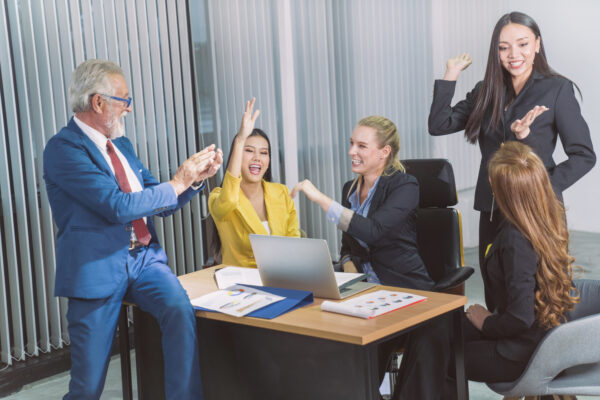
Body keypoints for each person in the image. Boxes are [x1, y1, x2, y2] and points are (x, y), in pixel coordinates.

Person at [43, 59, 223, 400]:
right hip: (95, 268)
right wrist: (177, 181)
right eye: (123, 100)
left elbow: (159, 198)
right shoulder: (63, 149)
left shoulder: (122, 146)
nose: (129, 109)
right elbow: (117, 205)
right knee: (87, 386)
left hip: (144, 260)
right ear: (98, 102)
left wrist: (194, 182)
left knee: (179, 312)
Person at [428, 11, 595, 293]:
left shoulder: (557, 89)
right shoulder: (486, 91)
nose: (513, 54)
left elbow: (584, 155)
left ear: (537, 45)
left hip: (537, 207)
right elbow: (439, 125)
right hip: (493, 207)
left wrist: (543, 186)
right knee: (495, 287)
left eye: (522, 44)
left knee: (543, 292)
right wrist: (450, 76)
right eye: (504, 47)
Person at [292, 116, 447, 400]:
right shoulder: (350, 190)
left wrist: (321, 200)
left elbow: (374, 231)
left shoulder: (405, 185)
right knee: (335, 355)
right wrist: (353, 272)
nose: (352, 151)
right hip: (367, 293)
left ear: (384, 152)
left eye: (362, 145)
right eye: (352, 143)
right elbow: (348, 247)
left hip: (405, 289)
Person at [443, 141, 579, 398]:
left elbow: (519, 318)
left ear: (503, 191)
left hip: (523, 351)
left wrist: (486, 323)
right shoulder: (546, 221)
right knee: (443, 333)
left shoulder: (516, 241)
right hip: (545, 340)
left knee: (440, 357)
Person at [208, 98, 300, 268]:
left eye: (264, 153)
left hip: (284, 279)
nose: (257, 157)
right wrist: (240, 139)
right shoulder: (217, 197)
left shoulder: (281, 192)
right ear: (236, 155)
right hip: (243, 286)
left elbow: (294, 243)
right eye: (249, 151)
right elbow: (228, 200)